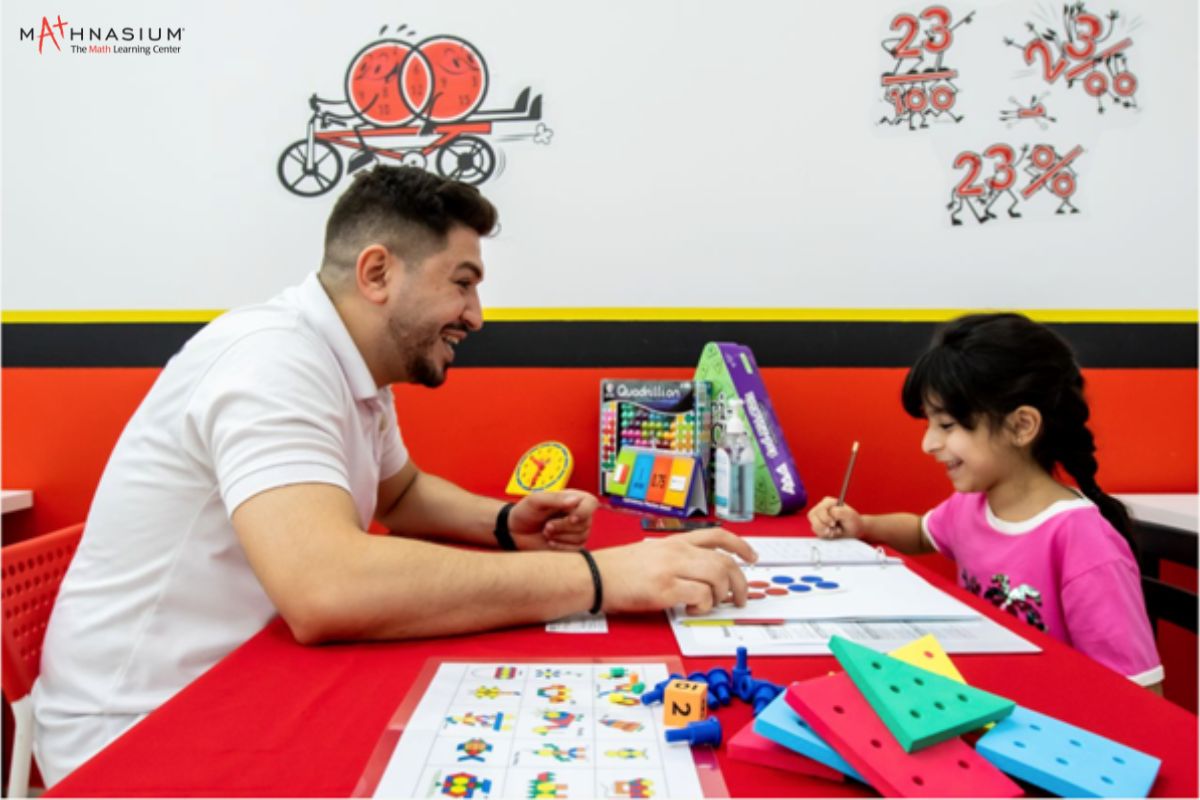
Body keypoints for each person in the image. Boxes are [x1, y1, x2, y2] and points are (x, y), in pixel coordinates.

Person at [33, 166, 756, 784]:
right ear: (378, 272)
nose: (476, 315)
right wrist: (604, 579)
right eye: (463, 283)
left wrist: (503, 523)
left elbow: (400, 493)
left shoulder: (349, 368)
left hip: (247, 682)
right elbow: (326, 586)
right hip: (139, 732)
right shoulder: (271, 362)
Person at [808, 313, 1162, 691]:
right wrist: (865, 526)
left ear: (1021, 426)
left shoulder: (1083, 543)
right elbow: (921, 532)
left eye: (947, 426)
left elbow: (1141, 692)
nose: (928, 444)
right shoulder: (973, 505)